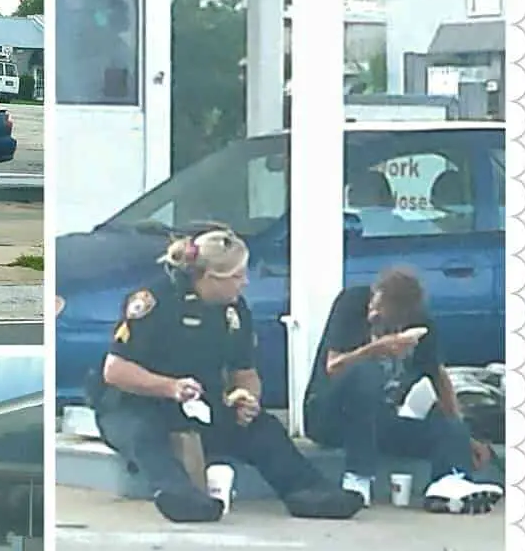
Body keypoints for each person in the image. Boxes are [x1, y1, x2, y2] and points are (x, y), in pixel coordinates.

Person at [88, 224, 366, 524]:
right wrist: (170, 387)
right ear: (209, 277)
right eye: (236, 276)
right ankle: (182, 497)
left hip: (199, 403)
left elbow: (244, 370)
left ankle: (309, 493)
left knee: (265, 429)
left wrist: (248, 400)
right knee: (145, 435)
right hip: (136, 403)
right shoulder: (153, 301)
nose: (244, 283)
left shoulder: (234, 312)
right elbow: (115, 370)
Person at [303, 266, 503, 513]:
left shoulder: (422, 325)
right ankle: (358, 479)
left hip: (378, 421)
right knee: (367, 372)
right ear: (374, 293)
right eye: (373, 307)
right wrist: (376, 349)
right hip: (328, 415)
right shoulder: (351, 302)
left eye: (381, 316)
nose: (372, 315)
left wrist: (462, 437)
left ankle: (448, 484)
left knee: (448, 426)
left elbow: (438, 378)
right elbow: (333, 367)